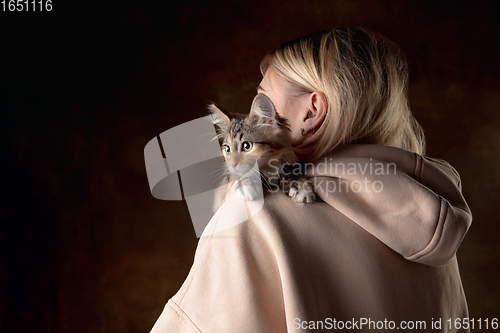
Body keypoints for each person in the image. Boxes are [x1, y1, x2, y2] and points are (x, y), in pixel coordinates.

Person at [150, 27, 472, 332]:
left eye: (263, 100)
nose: (250, 116)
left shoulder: (255, 217)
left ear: (312, 112)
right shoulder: (434, 227)